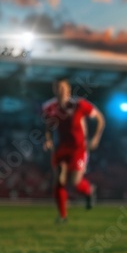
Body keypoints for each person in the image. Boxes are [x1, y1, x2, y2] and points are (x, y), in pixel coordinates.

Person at [42, 77, 105, 223]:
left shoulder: (80, 104)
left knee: (75, 182)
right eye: (57, 87)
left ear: (68, 89)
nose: (60, 91)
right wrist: (48, 139)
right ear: (54, 89)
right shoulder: (49, 107)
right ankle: (63, 216)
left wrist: (95, 138)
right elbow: (48, 127)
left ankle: (89, 191)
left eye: (62, 87)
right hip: (61, 148)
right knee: (59, 180)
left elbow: (100, 119)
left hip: (79, 149)